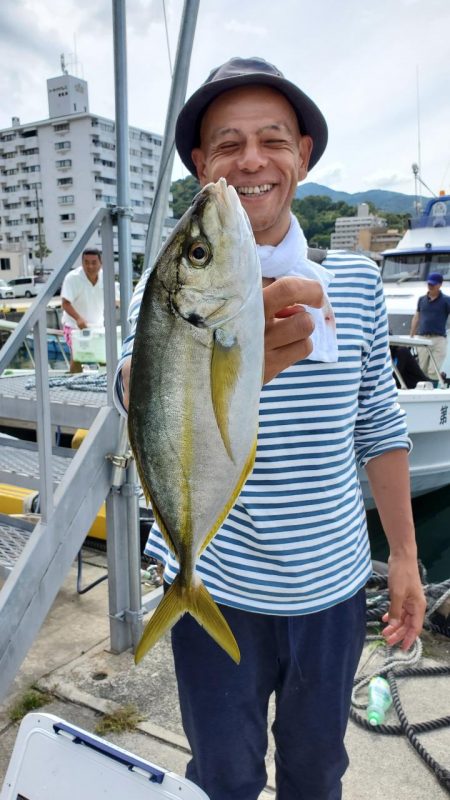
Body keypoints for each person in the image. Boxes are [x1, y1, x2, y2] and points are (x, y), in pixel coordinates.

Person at [114, 57, 426, 800]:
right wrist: (211, 365)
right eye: (228, 144)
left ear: (303, 156)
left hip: (334, 591)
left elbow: (377, 422)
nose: (251, 159)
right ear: (202, 165)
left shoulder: (355, 281)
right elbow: (129, 387)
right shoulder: (170, 284)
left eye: (273, 139)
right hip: (216, 585)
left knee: (317, 775)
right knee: (223, 777)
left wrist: (407, 557)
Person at [61, 248, 104, 372]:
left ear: (100, 263)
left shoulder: (106, 277)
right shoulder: (72, 278)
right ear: (82, 263)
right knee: (77, 356)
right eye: (86, 262)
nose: (90, 266)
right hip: (74, 325)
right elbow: (65, 303)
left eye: (94, 262)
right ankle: (74, 384)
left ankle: (107, 385)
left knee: (105, 357)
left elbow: (117, 300)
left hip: (98, 326)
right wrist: (78, 319)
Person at [410, 272, 450, 380]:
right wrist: (411, 336)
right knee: (421, 369)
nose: (430, 286)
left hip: (439, 339)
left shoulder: (447, 300)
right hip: (422, 338)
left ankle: (434, 391)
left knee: (433, 370)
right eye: (429, 284)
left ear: (440, 285)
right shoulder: (421, 300)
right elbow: (416, 317)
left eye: (433, 284)